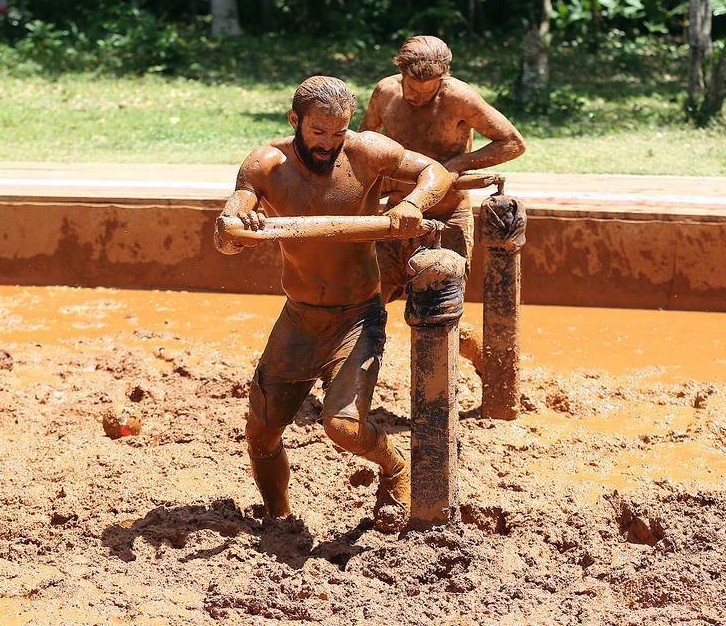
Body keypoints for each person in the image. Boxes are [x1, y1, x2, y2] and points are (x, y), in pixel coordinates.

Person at [215, 75, 453, 533]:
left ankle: (396, 467)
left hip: (357, 315)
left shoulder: (366, 152)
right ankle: (279, 519)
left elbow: (436, 172)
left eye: (338, 132)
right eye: (318, 132)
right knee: (261, 434)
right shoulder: (267, 164)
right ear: (294, 121)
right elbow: (230, 226)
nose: (328, 143)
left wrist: (415, 204)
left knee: (342, 428)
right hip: (300, 317)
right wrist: (235, 227)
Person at [359, 35, 527, 374]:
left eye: (429, 91)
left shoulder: (459, 98)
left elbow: (512, 143)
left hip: (446, 216)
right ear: (400, 73)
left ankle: (490, 371)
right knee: (363, 305)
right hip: (394, 215)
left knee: (441, 312)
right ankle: (348, 392)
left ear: (445, 78)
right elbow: (364, 141)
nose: (419, 98)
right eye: (413, 89)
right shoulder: (385, 93)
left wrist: (454, 166)